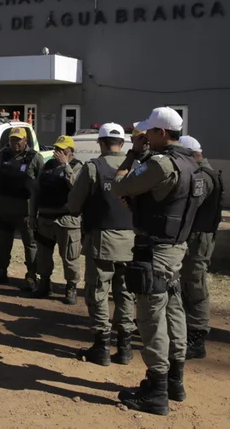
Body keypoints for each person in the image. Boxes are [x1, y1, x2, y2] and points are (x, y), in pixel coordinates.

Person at [112, 107, 208, 416]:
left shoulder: (160, 163)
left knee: (151, 318)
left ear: (161, 133)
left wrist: (132, 159)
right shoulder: (193, 165)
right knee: (174, 311)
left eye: (147, 133)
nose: (143, 138)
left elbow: (119, 185)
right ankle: (175, 381)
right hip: (176, 248)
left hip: (155, 250)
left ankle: (156, 389)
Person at [67, 123, 138, 366]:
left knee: (98, 292)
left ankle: (101, 347)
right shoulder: (137, 168)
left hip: (102, 240)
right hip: (132, 241)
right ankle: (126, 348)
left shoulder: (93, 168)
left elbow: (74, 204)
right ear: (122, 143)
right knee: (126, 292)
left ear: (100, 142)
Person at [177, 136, 223, 360]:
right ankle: (187, 330)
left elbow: (189, 204)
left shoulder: (202, 176)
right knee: (186, 283)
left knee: (195, 285)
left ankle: (196, 336)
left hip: (198, 238)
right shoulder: (202, 172)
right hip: (195, 236)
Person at [0, 127, 45, 290]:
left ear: (26, 141)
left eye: (18, 139)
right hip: (4, 208)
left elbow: (41, 186)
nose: (15, 142)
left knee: (30, 244)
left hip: (25, 211)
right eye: (12, 139)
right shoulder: (2, 155)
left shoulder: (35, 158)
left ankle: (32, 275)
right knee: (3, 242)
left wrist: (38, 212)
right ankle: (1, 271)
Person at [32, 135, 84, 304]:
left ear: (71, 152)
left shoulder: (78, 167)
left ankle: (71, 287)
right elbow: (36, 192)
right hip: (45, 218)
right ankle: (45, 283)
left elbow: (77, 188)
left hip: (67, 220)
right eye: (56, 149)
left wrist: (65, 166)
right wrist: (32, 215)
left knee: (69, 257)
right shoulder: (46, 166)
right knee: (43, 256)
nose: (58, 152)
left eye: (62, 150)